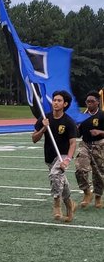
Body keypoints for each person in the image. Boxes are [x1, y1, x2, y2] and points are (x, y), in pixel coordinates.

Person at [32, 90, 78, 221]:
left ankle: (57, 203)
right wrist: (43, 128)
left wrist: (67, 160)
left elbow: (73, 143)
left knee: (55, 175)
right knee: (61, 181)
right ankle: (70, 204)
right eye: (54, 100)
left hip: (62, 155)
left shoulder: (69, 122)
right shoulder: (44, 118)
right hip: (49, 157)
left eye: (59, 101)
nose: (55, 103)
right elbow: (34, 139)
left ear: (65, 104)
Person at [75, 90, 104, 208]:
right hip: (85, 144)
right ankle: (87, 192)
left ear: (98, 102)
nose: (89, 104)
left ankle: (98, 197)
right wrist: (76, 127)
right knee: (80, 169)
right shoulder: (83, 116)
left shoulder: (102, 115)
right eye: (87, 102)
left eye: (92, 101)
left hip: (99, 144)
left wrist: (100, 132)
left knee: (99, 173)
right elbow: (77, 135)